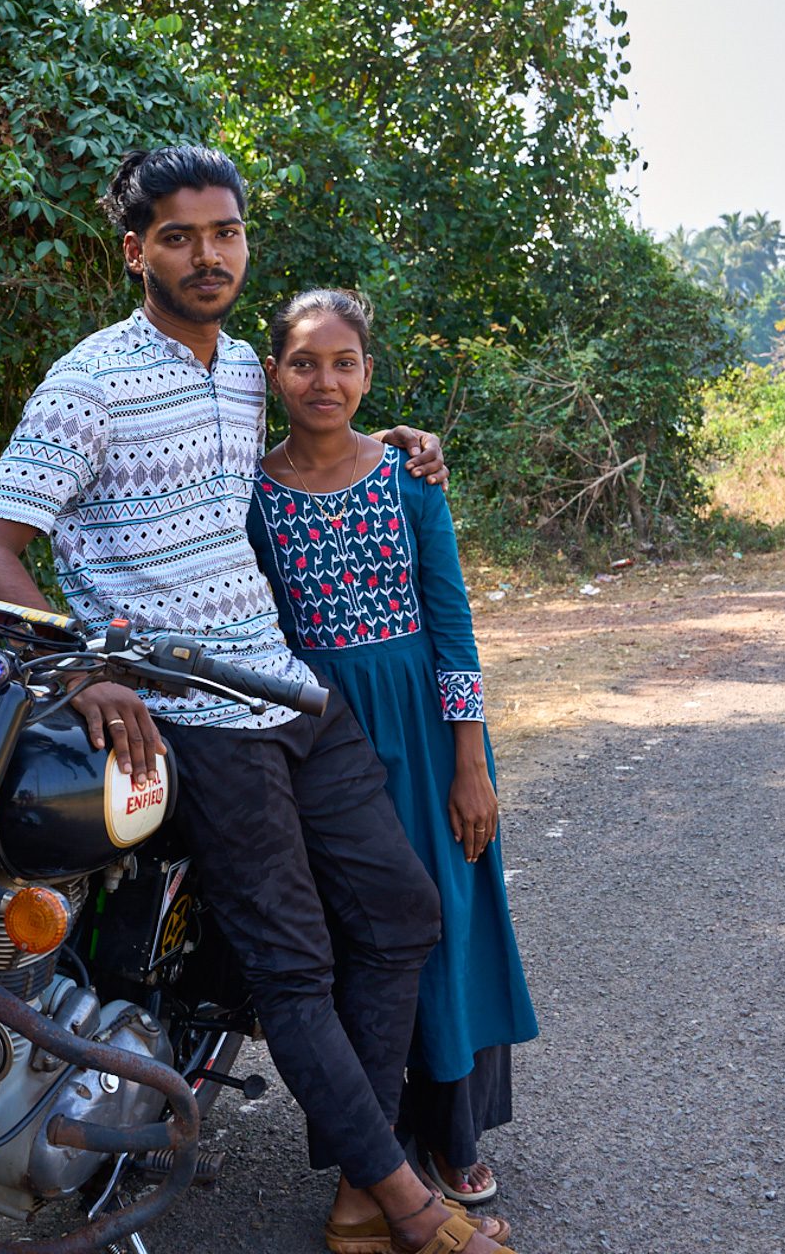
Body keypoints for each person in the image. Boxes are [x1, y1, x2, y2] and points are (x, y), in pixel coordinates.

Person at [0, 146, 521, 1254]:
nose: (206, 255)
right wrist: (94, 669)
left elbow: (316, 421)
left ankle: (364, 1178)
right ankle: (399, 1200)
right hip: (184, 712)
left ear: (245, 243)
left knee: (403, 912)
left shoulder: (246, 368)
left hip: (284, 685)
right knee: (294, 960)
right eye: (178, 236)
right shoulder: (91, 379)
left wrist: (400, 441)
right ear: (135, 251)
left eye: (225, 233)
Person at [247, 290, 538, 1219]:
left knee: (440, 921)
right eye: (304, 363)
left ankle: (452, 1134)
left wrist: (469, 763)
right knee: (346, 932)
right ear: (272, 375)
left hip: (419, 728)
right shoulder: (249, 494)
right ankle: (373, 1147)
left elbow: (452, 624)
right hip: (314, 734)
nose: (324, 380)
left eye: (343, 363)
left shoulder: (410, 481)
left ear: (369, 374)